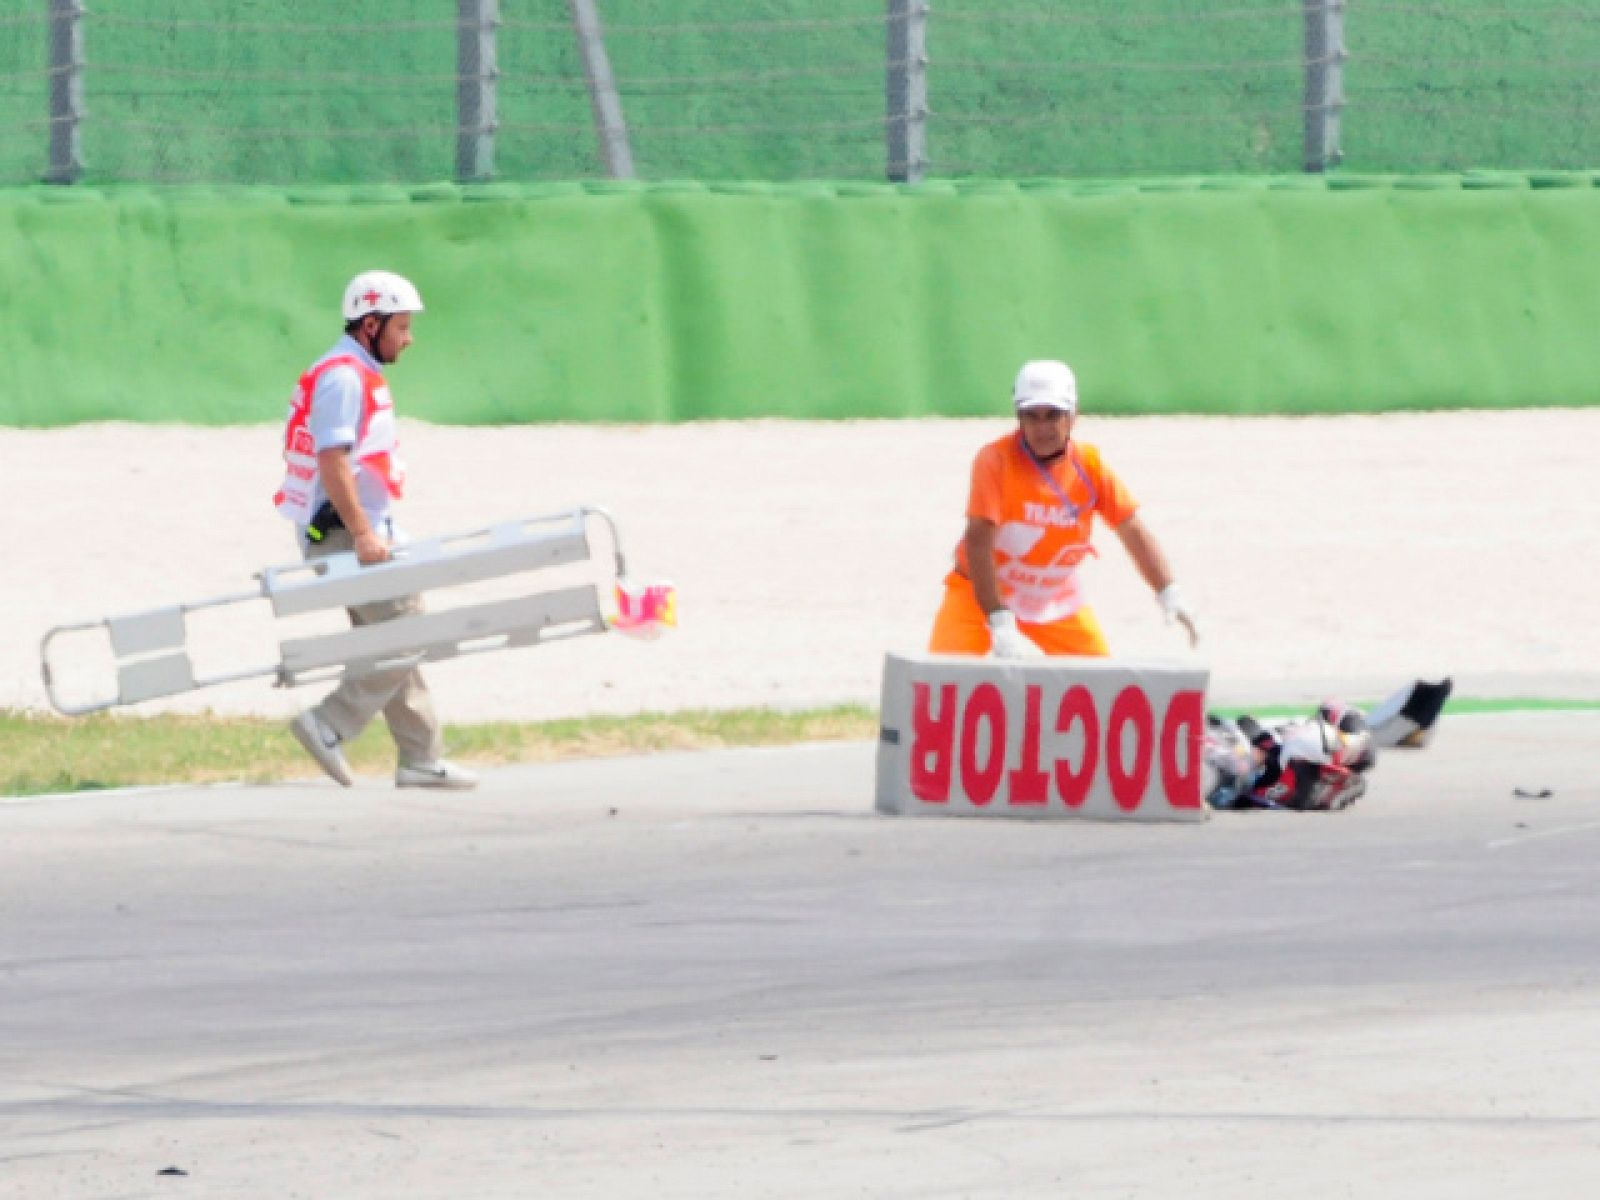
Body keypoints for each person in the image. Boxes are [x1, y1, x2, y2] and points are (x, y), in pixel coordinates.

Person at [274, 270, 478, 790]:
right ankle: (329, 724)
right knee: (408, 631)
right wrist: (364, 535)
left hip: (359, 528)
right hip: (347, 532)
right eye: (402, 328)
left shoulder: (353, 369)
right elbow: (333, 461)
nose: (408, 339)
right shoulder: (343, 377)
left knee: (393, 641)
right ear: (371, 324)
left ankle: (420, 757)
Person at [928, 359, 1201, 658]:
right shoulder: (995, 460)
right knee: (943, 676)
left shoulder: (1089, 465)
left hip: (1052, 597)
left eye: (1053, 415)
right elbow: (979, 540)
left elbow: (1130, 527)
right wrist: (997, 617)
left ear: (1073, 416)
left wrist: (1167, 590)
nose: (1042, 428)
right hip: (979, 593)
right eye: (1031, 416)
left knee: (1099, 683)